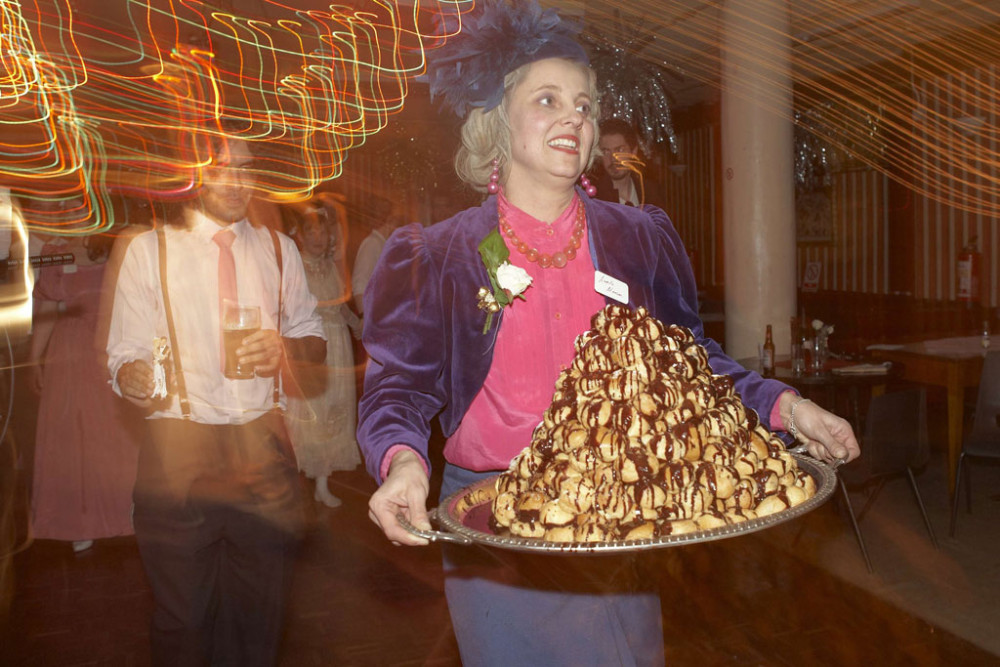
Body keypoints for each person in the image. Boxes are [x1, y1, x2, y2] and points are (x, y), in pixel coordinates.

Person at [358, 1, 860, 665]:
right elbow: (399, 384)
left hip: (624, 504)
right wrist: (400, 464)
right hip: (494, 519)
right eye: (548, 99)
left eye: (586, 105)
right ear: (497, 121)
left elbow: (691, 366)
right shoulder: (439, 254)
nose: (575, 117)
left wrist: (785, 405)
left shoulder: (638, 238)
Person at [106, 132, 326, 666]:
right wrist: (132, 374)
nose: (238, 181)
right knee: (182, 619)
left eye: (246, 168)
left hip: (262, 449)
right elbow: (124, 353)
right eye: (222, 168)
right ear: (190, 174)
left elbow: (314, 340)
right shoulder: (148, 251)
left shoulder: (280, 249)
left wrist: (284, 349)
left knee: (259, 618)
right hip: (178, 453)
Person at [28, 223, 142, 553]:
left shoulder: (118, 244)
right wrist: (34, 359)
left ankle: (124, 515)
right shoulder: (54, 253)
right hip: (71, 351)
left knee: (116, 437)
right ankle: (78, 522)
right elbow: (48, 308)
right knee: (72, 439)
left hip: (113, 347)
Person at [284, 207, 361, 508]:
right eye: (311, 232)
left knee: (334, 413)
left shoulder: (331, 266)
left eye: (322, 231)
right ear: (300, 236)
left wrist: (358, 327)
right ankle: (294, 480)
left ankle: (322, 483)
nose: (318, 237)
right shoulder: (295, 266)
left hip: (338, 344)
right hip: (311, 347)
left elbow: (340, 306)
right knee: (306, 415)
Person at [593, 117, 666, 209]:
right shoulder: (593, 198)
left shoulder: (651, 192)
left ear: (633, 152)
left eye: (619, 150)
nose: (613, 159)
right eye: (606, 152)